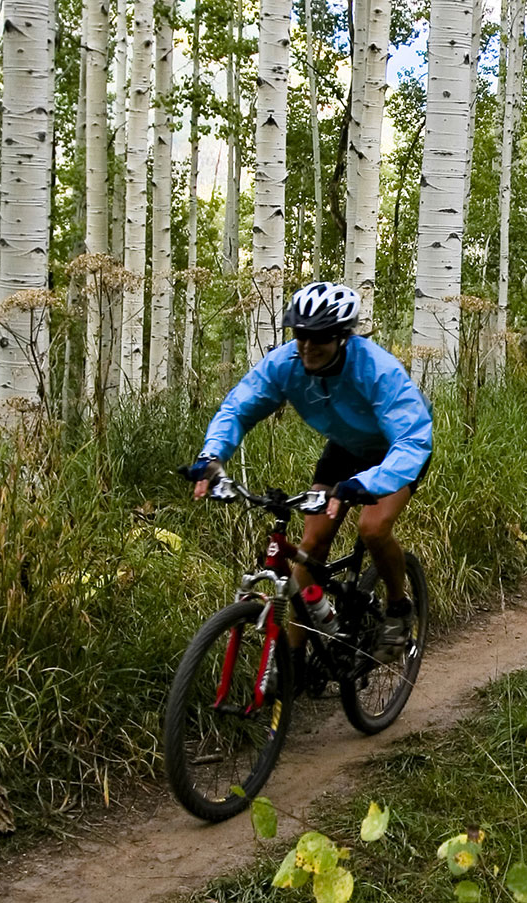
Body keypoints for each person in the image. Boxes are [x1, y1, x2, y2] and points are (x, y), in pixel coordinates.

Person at [184, 282, 433, 664]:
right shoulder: (286, 364)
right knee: (309, 547)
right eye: (300, 334)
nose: (307, 346)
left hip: (393, 452)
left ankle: (399, 610)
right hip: (344, 450)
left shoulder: (377, 369)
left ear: (342, 337)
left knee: (372, 528)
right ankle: (294, 663)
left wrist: (365, 483)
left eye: (319, 337)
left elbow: (412, 440)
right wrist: (212, 457)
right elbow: (239, 408)